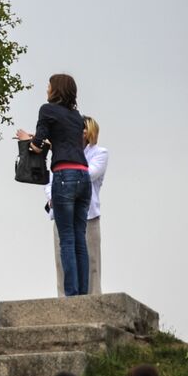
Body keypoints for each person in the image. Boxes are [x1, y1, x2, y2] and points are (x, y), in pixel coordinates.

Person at [16, 73, 91, 296]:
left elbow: (38, 145)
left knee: (66, 238)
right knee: (79, 238)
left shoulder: (47, 110)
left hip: (64, 174)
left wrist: (25, 141)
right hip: (83, 175)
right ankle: (83, 296)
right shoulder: (77, 117)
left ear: (55, 89)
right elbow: (64, 140)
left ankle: (71, 296)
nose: (46, 89)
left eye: (48, 85)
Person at [46, 116, 108, 296]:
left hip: (87, 217)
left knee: (91, 263)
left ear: (88, 133)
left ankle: (93, 301)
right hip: (62, 213)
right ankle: (65, 303)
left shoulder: (99, 153)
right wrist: (52, 196)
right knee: (62, 262)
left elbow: (88, 175)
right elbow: (50, 181)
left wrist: (64, 181)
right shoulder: (61, 154)